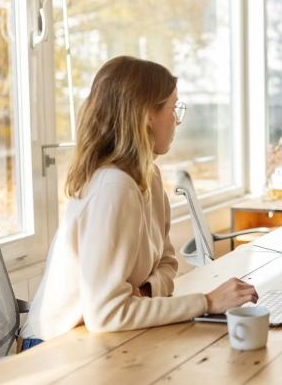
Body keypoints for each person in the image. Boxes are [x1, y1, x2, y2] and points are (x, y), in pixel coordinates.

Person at [20, 56, 258, 348]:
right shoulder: (113, 188)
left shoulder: (149, 176)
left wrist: (144, 292)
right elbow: (107, 314)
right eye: (174, 108)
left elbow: (168, 262)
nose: (177, 120)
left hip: (101, 337)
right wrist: (207, 301)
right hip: (53, 349)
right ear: (147, 115)